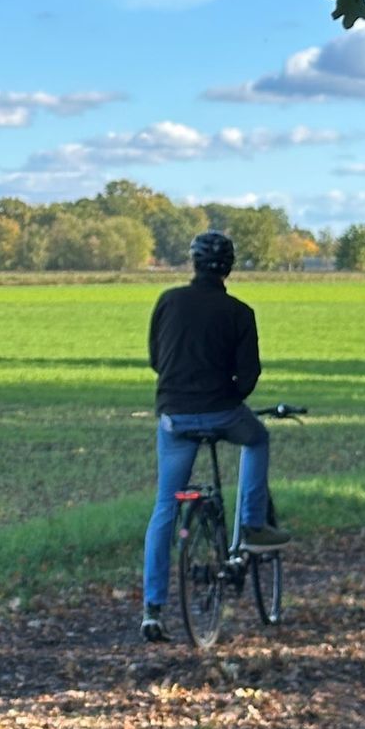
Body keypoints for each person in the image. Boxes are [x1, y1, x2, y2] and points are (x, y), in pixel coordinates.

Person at [141, 228, 291, 643]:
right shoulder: (239, 312)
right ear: (229, 267)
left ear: (192, 263)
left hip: (174, 415)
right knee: (257, 439)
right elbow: (249, 377)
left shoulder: (168, 301)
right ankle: (253, 525)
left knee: (164, 508)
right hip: (223, 411)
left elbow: (157, 359)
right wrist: (226, 396)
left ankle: (152, 609)